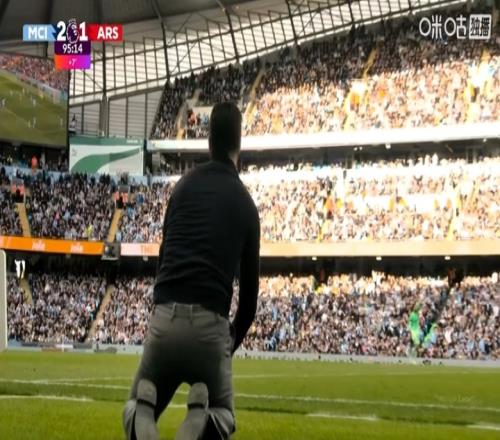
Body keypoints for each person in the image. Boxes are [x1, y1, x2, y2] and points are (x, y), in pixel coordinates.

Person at [123, 102, 261, 440]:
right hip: (210, 330)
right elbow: (249, 303)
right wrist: (227, 345)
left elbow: (163, 259)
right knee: (224, 413)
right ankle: (203, 422)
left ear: (209, 142)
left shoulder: (182, 187)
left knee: (135, 404)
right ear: (238, 144)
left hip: (164, 321)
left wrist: (163, 311)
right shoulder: (246, 205)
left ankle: (143, 417)